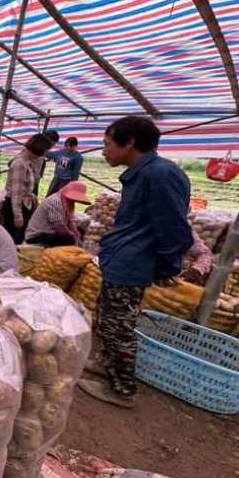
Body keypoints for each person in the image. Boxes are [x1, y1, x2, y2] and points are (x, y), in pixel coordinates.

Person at [78, 116, 192, 409]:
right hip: (123, 260)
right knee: (107, 320)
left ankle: (122, 389)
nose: (103, 151)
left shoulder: (159, 175)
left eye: (107, 144)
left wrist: (167, 267)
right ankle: (108, 365)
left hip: (133, 264)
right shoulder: (142, 172)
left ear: (129, 143)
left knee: (120, 328)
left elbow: (174, 229)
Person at [1, 135, 50, 244]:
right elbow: (16, 192)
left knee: (18, 239)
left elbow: (23, 186)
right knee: (12, 240)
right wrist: (17, 215)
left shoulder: (27, 162)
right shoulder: (20, 164)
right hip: (15, 207)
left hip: (23, 204)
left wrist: (30, 194)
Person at [25, 181, 92, 247]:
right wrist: (73, 236)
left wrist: (76, 233)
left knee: (78, 232)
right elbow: (59, 227)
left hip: (51, 233)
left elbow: (69, 221)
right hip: (37, 235)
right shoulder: (56, 201)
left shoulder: (67, 203)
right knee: (67, 239)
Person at [33, 130, 59, 196]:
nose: (52, 146)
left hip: (35, 180)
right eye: (52, 144)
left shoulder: (43, 150)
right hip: (29, 182)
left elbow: (50, 155)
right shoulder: (34, 150)